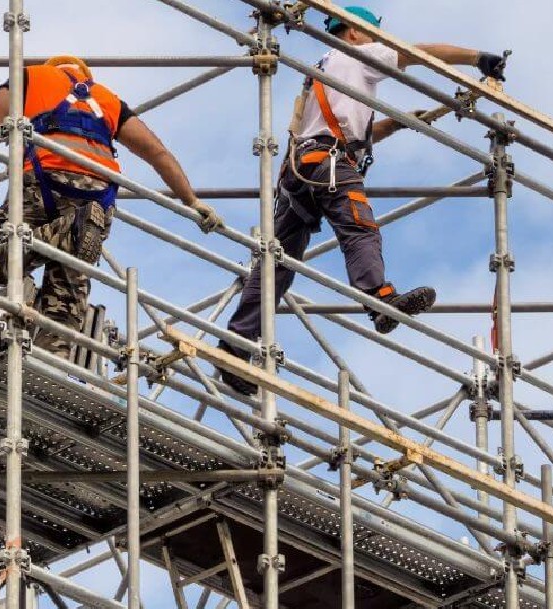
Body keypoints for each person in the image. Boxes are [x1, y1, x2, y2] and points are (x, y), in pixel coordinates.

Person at [217, 5, 507, 396]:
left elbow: (348, 131)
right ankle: (378, 299)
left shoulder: (325, 67)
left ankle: (235, 345)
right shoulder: (359, 54)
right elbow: (416, 53)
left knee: (277, 265)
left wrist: (396, 122)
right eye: (371, 34)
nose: (377, 42)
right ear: (353, 32)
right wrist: (477, 58)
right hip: (330, 165)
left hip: (300, 171)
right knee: (359, 229)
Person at [0, 55, 222, 359]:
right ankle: (53, 363)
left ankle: (68, 232)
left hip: (42, 183)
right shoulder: (108, 100)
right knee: (65, 302)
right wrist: (191, 201)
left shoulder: (31, 77)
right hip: (96, 199)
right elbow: (157, 153)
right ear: (84, 74)